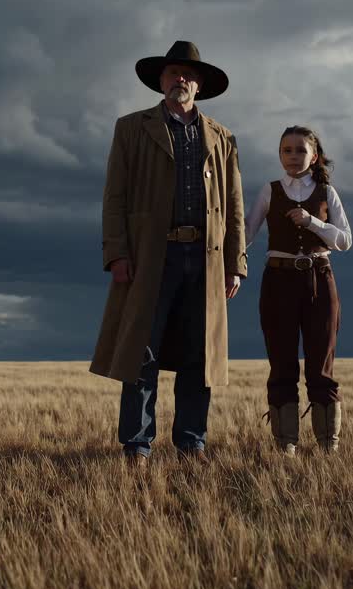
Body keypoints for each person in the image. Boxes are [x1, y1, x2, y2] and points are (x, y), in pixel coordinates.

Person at [90, 41, 247, 466]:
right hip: (149, 257)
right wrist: (117, 253)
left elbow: (234, 207)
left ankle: (192, 441)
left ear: (200, 85)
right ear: (160, 81)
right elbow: (114, 197)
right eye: (173, 73)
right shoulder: (131, 127)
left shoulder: (222, 136)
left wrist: (236, 263)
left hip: (206, 256)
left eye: (189, 75)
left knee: (200, 353)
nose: (181, 79)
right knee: (143, 349)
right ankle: (137, 444)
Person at [244, 126, 352, 454]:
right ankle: (286, 446)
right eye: (286, 150)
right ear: (280, 155)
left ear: (314, 155)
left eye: (300, 150)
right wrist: (226, 264)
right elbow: (246, 233)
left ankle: (327, 445)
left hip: (320, 278)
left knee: (321, 364)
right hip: (277, 282)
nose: (293, 156)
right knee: (281, 363)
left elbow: (345, 240)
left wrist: (312, 223)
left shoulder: (326, 192)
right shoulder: (270, 190)